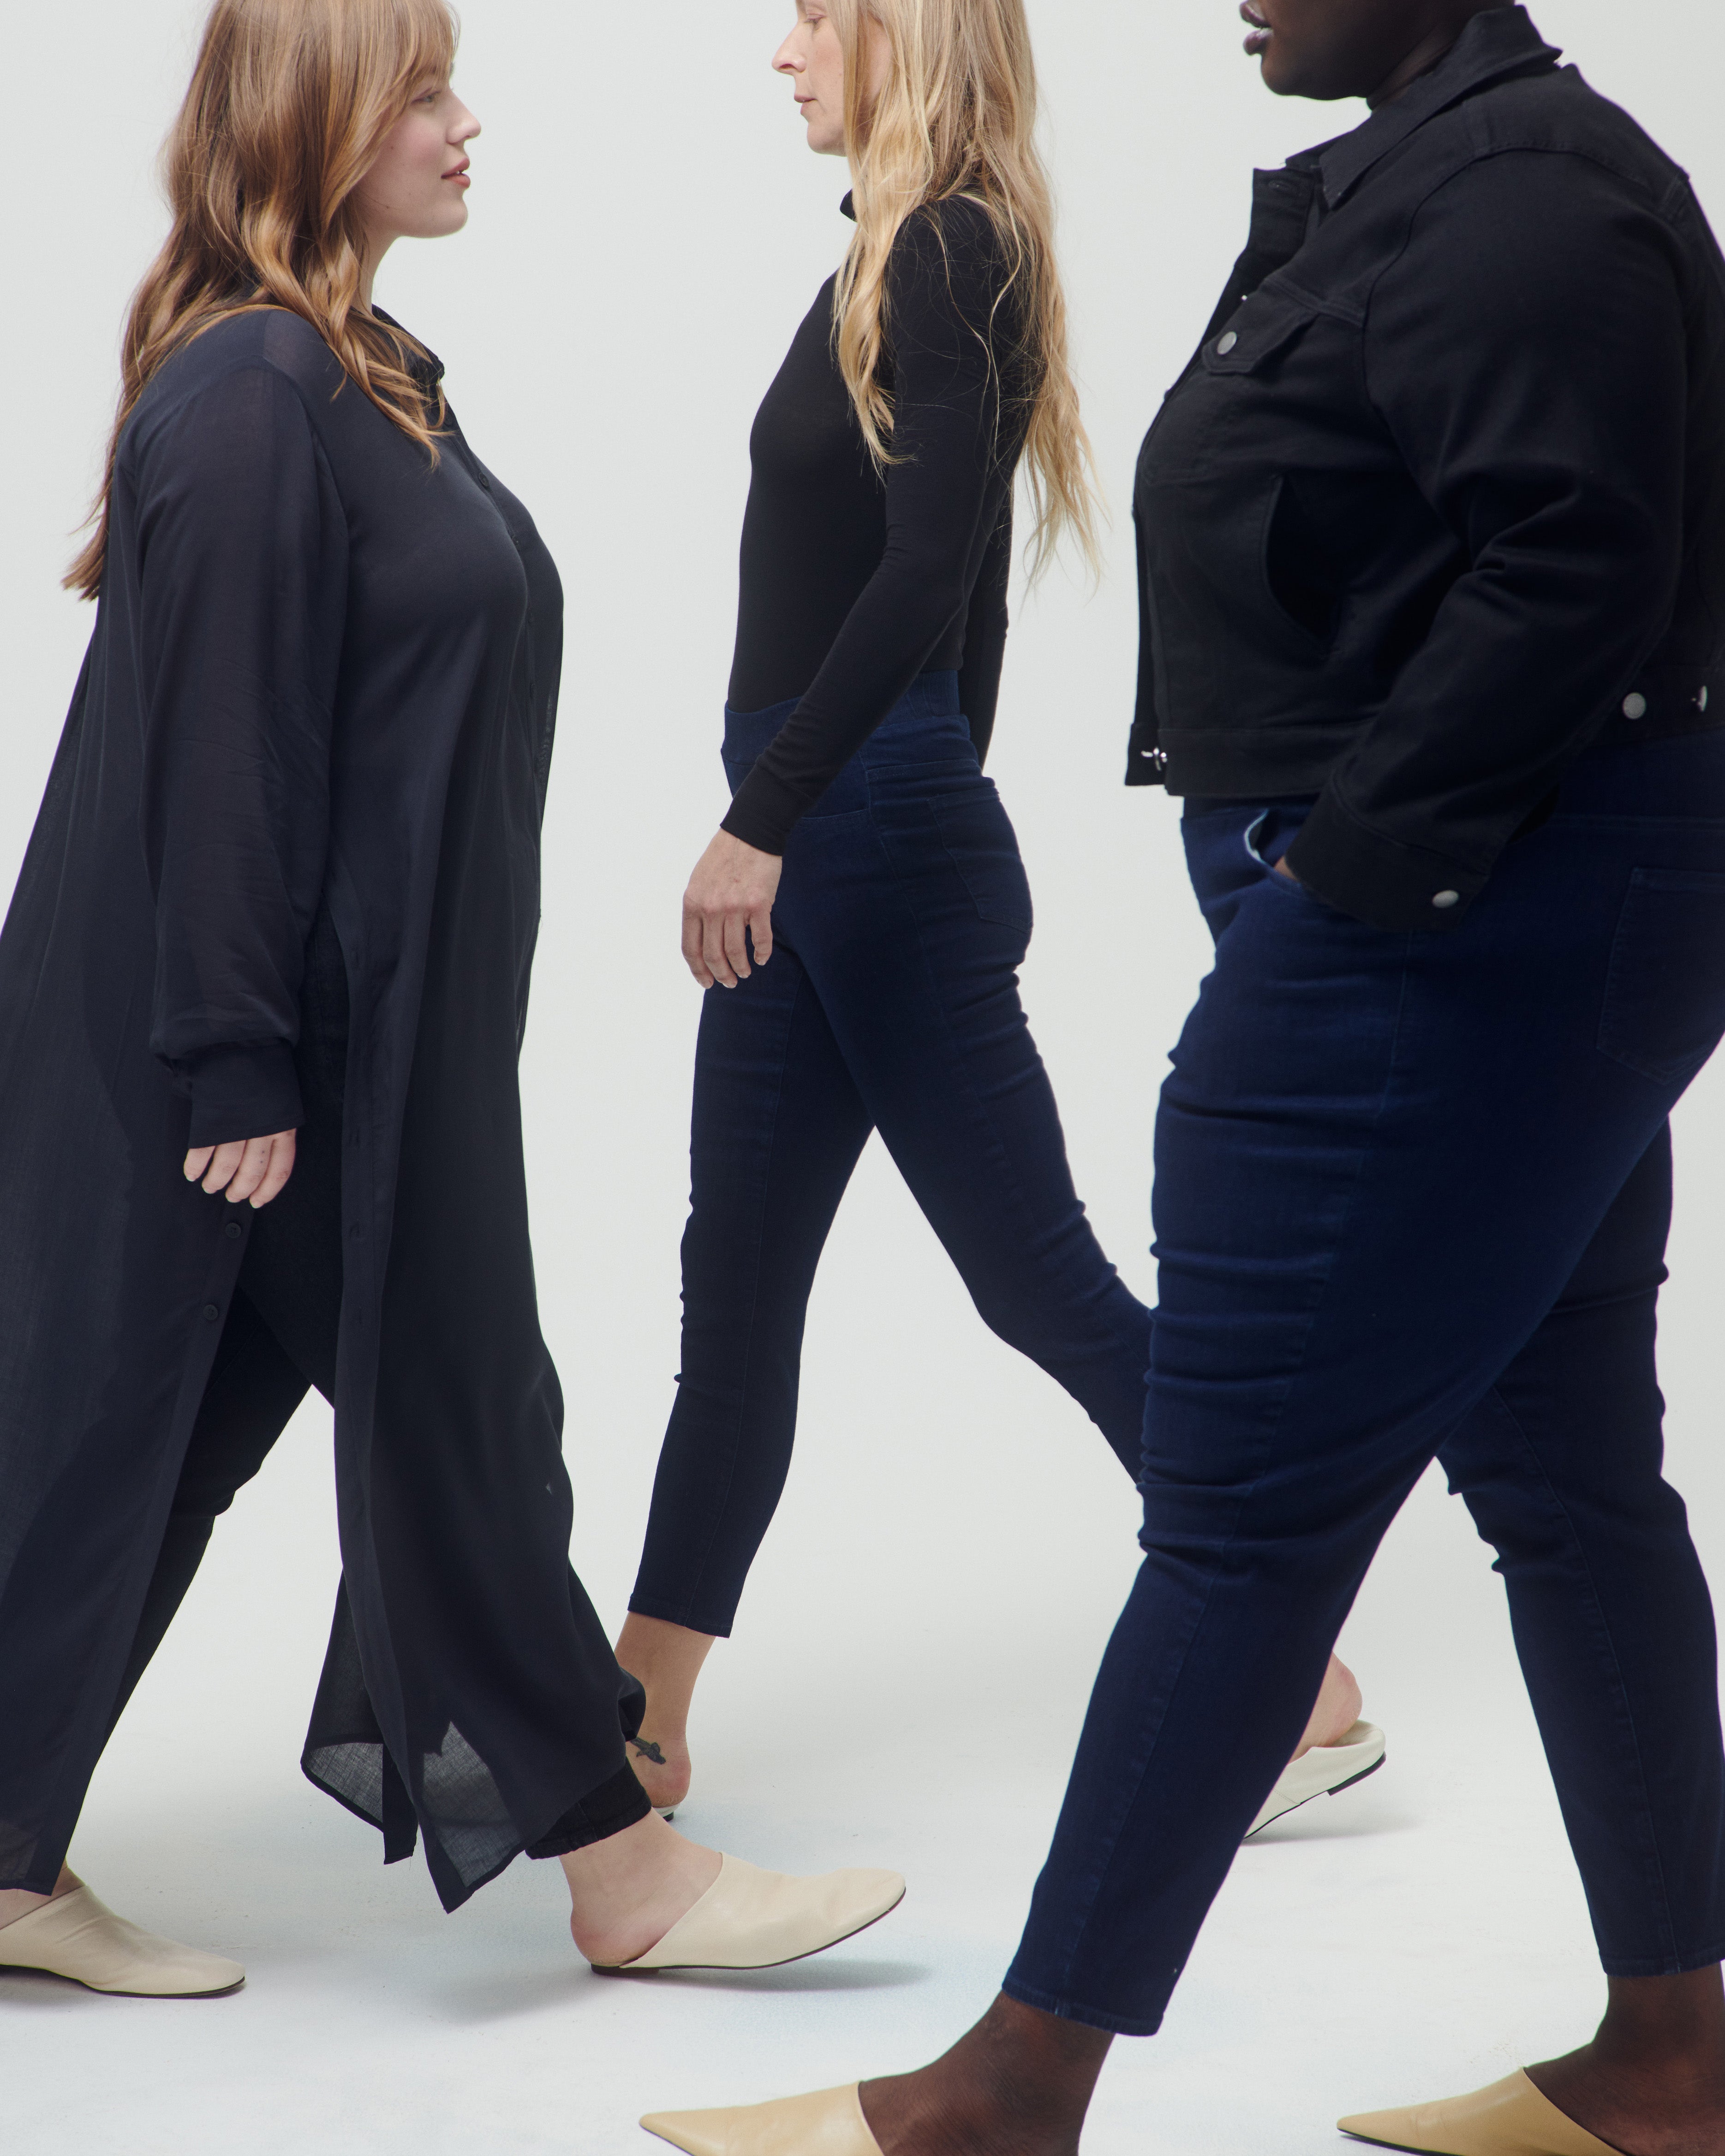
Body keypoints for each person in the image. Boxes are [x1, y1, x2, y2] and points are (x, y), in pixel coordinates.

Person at [639, 3, 1725, 2152]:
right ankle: (1675, 2058)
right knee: (1568, 1474)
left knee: (1229, 1487)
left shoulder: (1524, 191)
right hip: (1446, 914)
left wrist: (1336, 880)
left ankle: (1003, 2093)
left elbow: (1572, 568)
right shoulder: (1427, 171)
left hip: (1433, 930)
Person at [0, 0, 904, 2001]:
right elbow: (221, 755)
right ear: (318, 120)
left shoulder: (358, 372)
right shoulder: (255, 394)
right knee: (460, 1414)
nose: (463, 123)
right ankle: (622, 1867)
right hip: (274, 1052)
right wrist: (237, 1055)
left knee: (149, 1446)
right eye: (422, 90)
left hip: (349, 1033)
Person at [613, 0, 1379, 1848]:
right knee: (738, 1292)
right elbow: (955, 608)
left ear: (905, 33)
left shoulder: (949, 242)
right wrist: (849, 804)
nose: (787, 51)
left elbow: (925, 572)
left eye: (818, 14)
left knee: (1033, 1276)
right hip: (852, 826)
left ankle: (1296, 1673)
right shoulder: (898, 251)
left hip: (852, 832)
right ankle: (637, 1730)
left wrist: (778, 814)